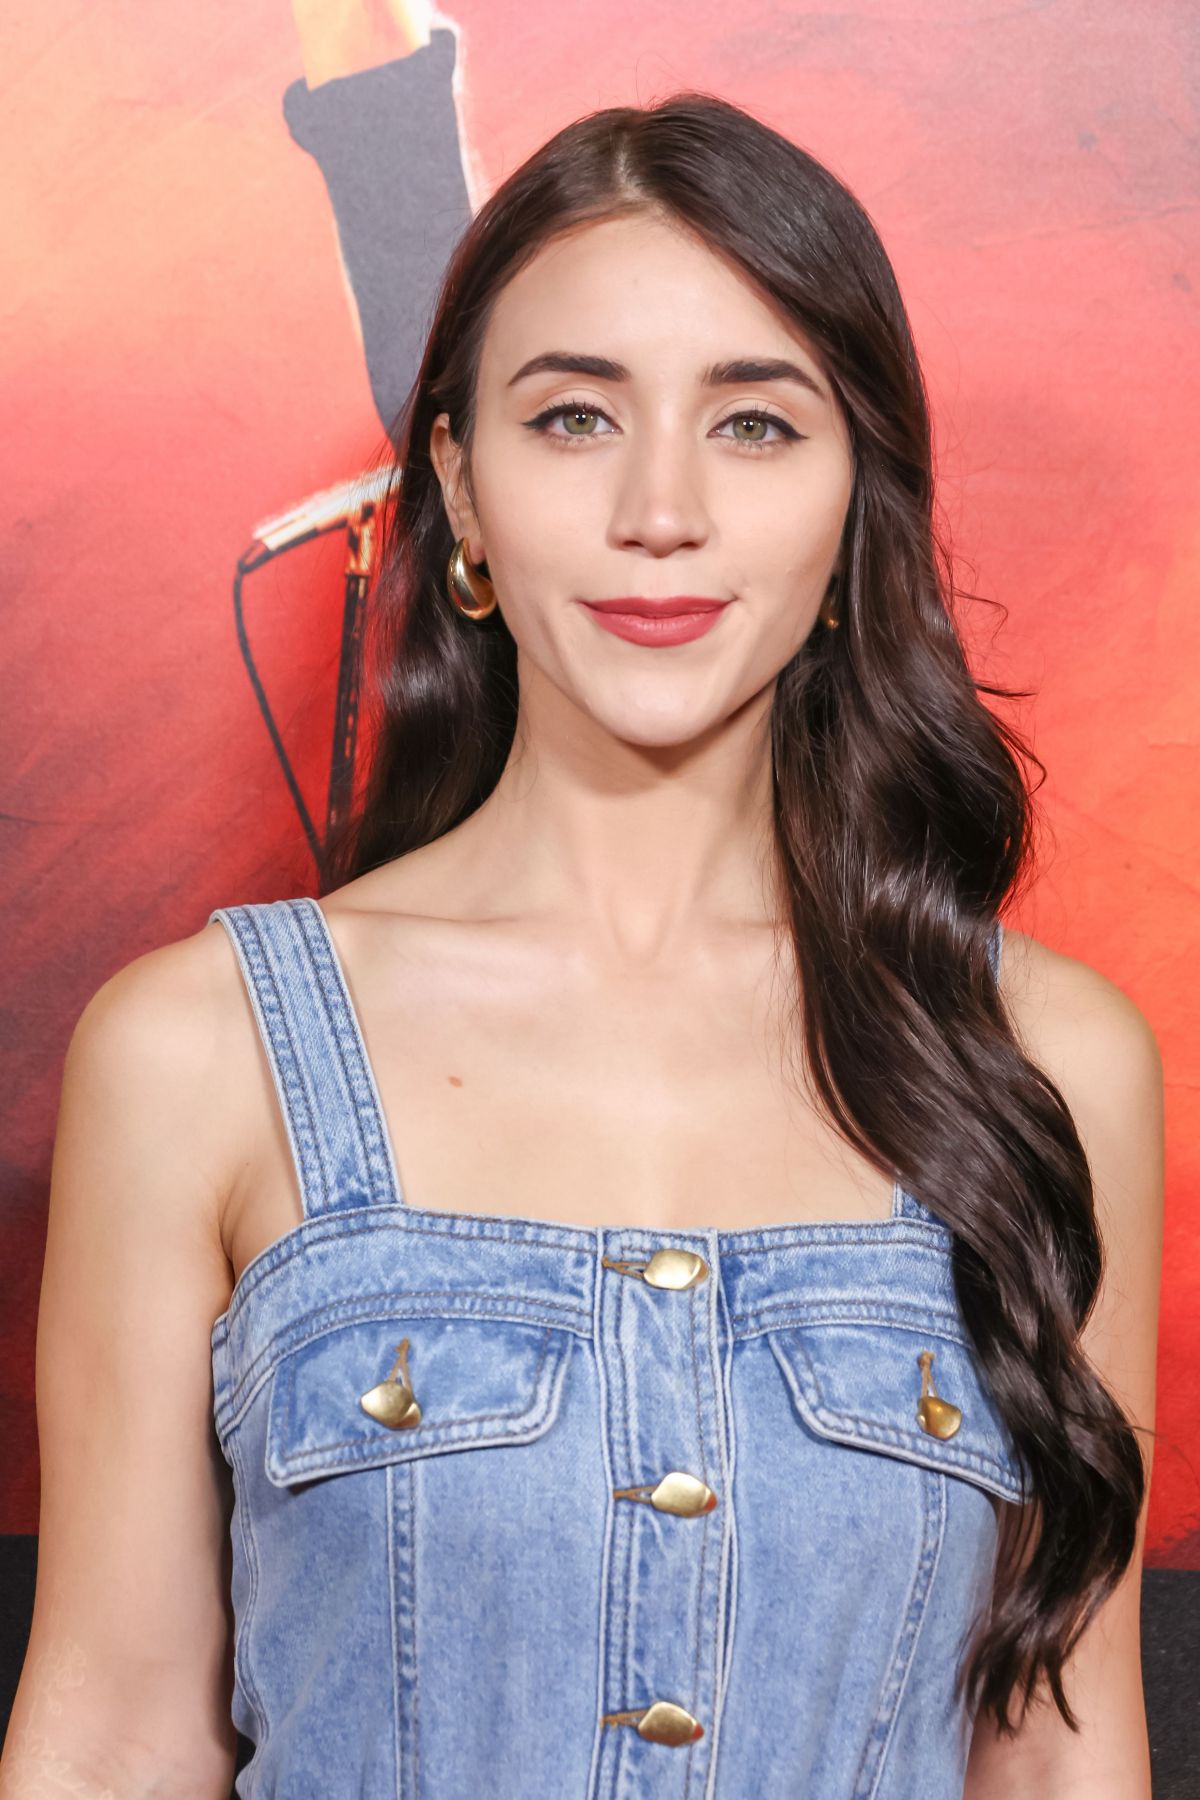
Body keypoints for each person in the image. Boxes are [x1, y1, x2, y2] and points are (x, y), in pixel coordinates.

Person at [0, 87, 1162, 1800]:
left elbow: (1061, 1753)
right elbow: (113, 1735)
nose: (660, 509)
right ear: (459, 488)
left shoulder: (1047, 1062)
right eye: (572, 418)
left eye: (755, 424)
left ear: (858, 500)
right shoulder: (199, 1051)